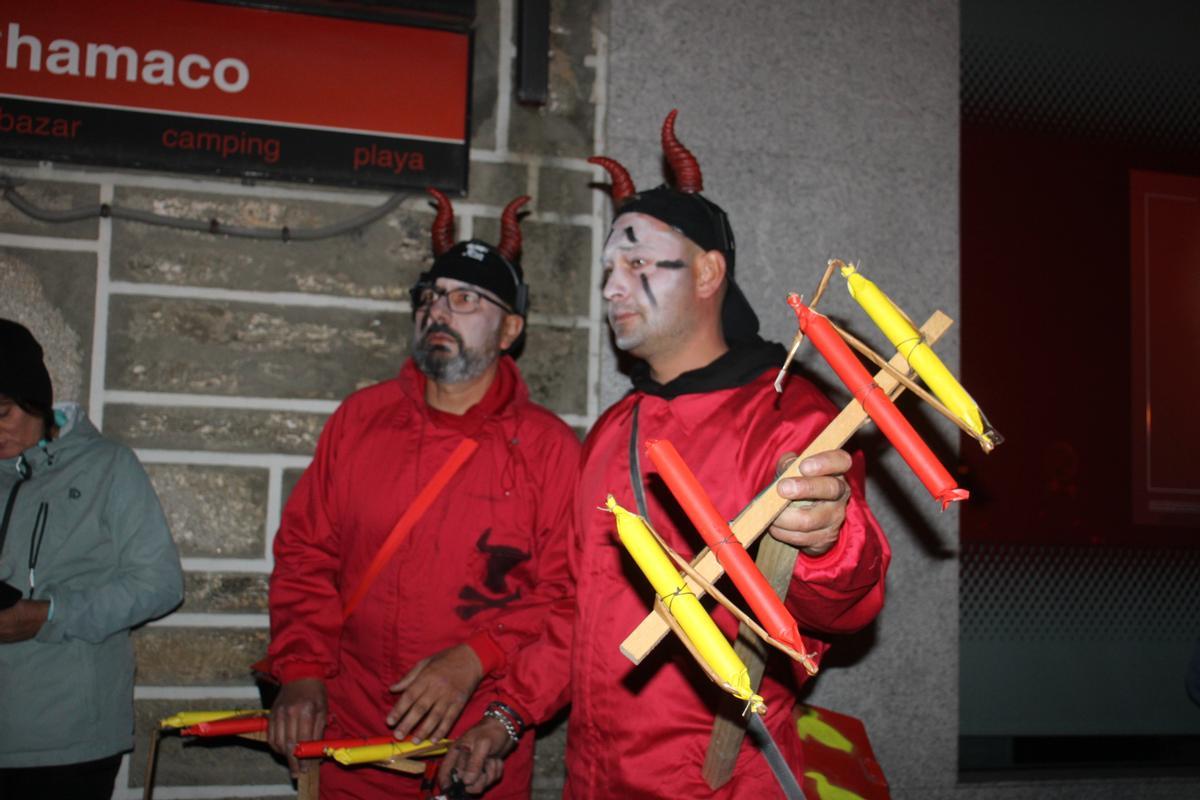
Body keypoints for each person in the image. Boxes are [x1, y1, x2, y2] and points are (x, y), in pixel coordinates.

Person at [443, 111, 891, 797]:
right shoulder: (614, 429)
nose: (611, 288)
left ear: (710, 271)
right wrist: (507, 716)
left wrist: (828, 541)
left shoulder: (787, 414)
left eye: (636, 263)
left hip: (720, 784)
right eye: (607, 269)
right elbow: (577, 608)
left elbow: (845, 608)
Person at [265, 190, 580, 799]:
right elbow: (307, 556)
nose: (439, 312)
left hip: (475, 747)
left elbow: (568, 600)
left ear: (511, 330)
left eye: (466, 300)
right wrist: (301, 672)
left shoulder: (549, 450)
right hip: (351, 742)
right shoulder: (360, 421)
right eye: (431, 297)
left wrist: (478, 666)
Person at [0, 318, 183, 799]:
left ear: (34, 399)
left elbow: (160, 583)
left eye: (1, 411)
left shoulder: (108, 466)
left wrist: (49, 614)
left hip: (68, 743)